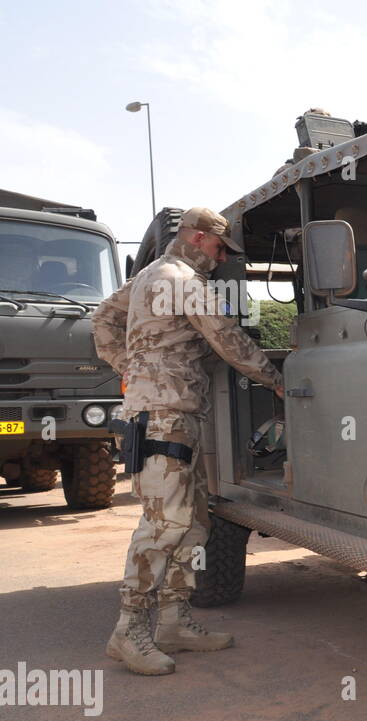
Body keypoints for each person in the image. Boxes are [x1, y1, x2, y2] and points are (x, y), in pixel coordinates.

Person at [92, 207, 284, 675]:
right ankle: (128, 630)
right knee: (163, 525)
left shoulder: (148, 278)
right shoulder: (180, 279)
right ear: (198, 239)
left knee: (193, 521)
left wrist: (130, 366)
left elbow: (102, 318)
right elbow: (227, 339)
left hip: (178, 416)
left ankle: (174, 621)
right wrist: (276, 379)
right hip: (162, 419)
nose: (221, 260)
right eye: (219, 249)